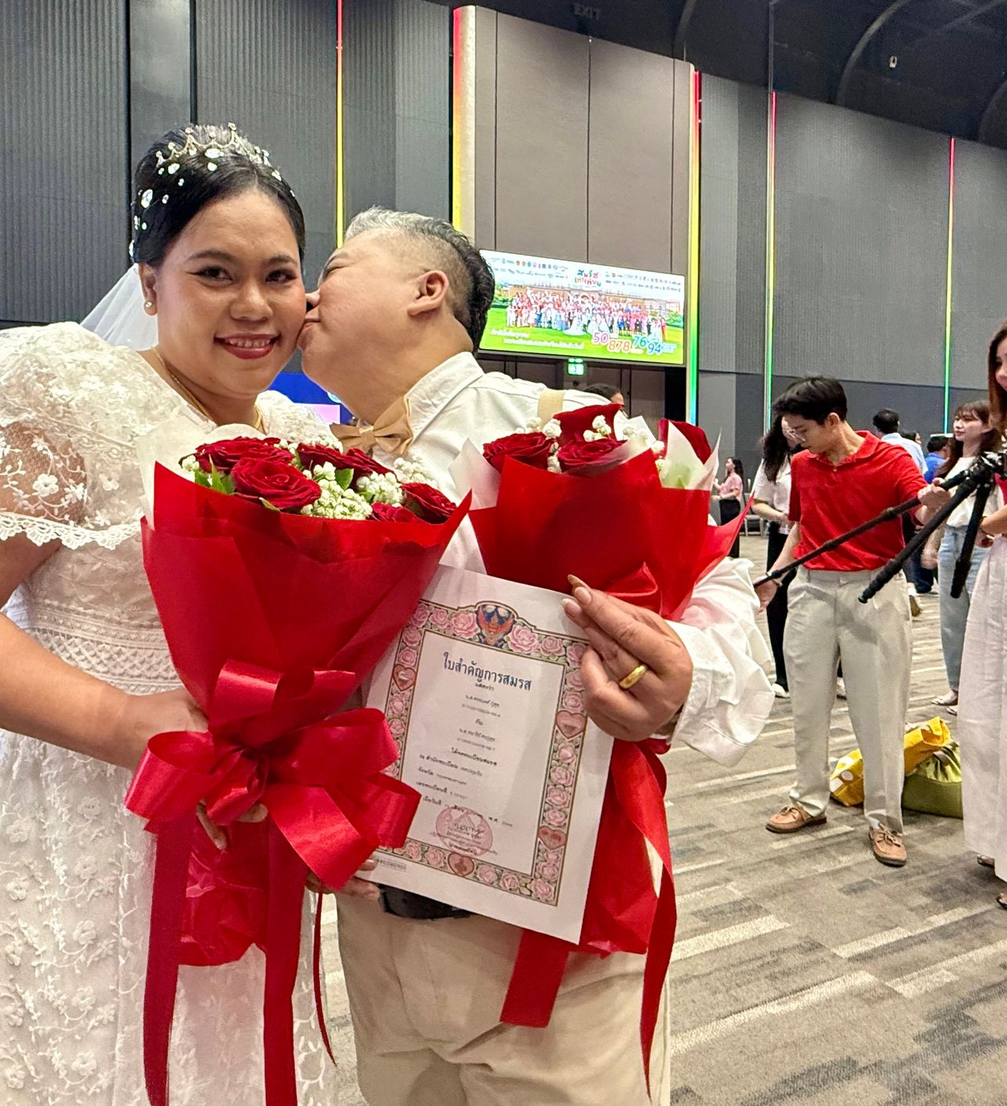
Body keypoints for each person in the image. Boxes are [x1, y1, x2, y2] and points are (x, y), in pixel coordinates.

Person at [0, 125, 340, 1105]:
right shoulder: (67, 390)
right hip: (86, 811)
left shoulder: (305, 438)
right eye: (215, 272)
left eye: (278, 275)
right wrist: (121, 723)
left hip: (248, 827)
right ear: (151, 281)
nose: (254, 306)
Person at [299, 206, 774, 1106]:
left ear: (427, 289)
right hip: (371, 921)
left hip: (552, 939)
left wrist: (682, 669)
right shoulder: (311, 462)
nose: (308, 291)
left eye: (334, 264)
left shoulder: (564, 432)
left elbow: (718, 587)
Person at [759, 379, 948, 867]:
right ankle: (807, 798)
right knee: (806, 699)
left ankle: (884, 819)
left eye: (802, 429)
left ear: (834, 421)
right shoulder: (803, 465)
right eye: (790, 429)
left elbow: (923, 502)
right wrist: (776, 577)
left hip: (875, 588)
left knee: (880, 707)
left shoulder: (891, 459)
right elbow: (801, 526)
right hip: (812, 587)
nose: (795, 439)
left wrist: (937, 500)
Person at [959, 323, 1007, 904]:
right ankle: (997, 834)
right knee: (989, 705)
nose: (1003, 373)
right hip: (999, 576)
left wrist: (981, 523)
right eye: (998, 362)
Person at [926, 401, 1000, 711]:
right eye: (957, 419)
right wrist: (931, 544)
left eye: (968, 420)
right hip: (951, 540)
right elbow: (943, 511)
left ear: (987, 426)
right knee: (951, 618)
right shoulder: (950, 464)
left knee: (980, 618)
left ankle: (979, 691)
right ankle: (956, 685)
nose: (959, 425)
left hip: (983, 541)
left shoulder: (995, 463)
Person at [751, 417, 801, 697]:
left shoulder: (819, 453)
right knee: (778, 603)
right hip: (783, 533)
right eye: (786, 419)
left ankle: (835, 672)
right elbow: (757, 502)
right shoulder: (775, 458)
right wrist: (782, 516)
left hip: (817, 538)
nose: (791, 426)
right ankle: (783, 675)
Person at [872, 409, 932, 602]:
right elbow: (921, 473)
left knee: (892, 547)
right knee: (909, 546)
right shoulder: (912, 446)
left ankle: (894, 588)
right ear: (897, 424)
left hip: (887, 507)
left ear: (875, 428)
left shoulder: (877, 447)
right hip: (911, 501)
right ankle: (911, 587)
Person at [713, 457, 745, 558]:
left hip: (731, 505)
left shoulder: (735, 478)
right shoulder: (728, 477)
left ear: (734, 465)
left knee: (732, 528)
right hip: (725, 504)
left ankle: (733, 551)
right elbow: (721, 489)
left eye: (728, 462)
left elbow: (735, 492)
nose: (726, 464)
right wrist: (712, 481)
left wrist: (721, 497)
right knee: (726, 527)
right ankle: (727, 550)